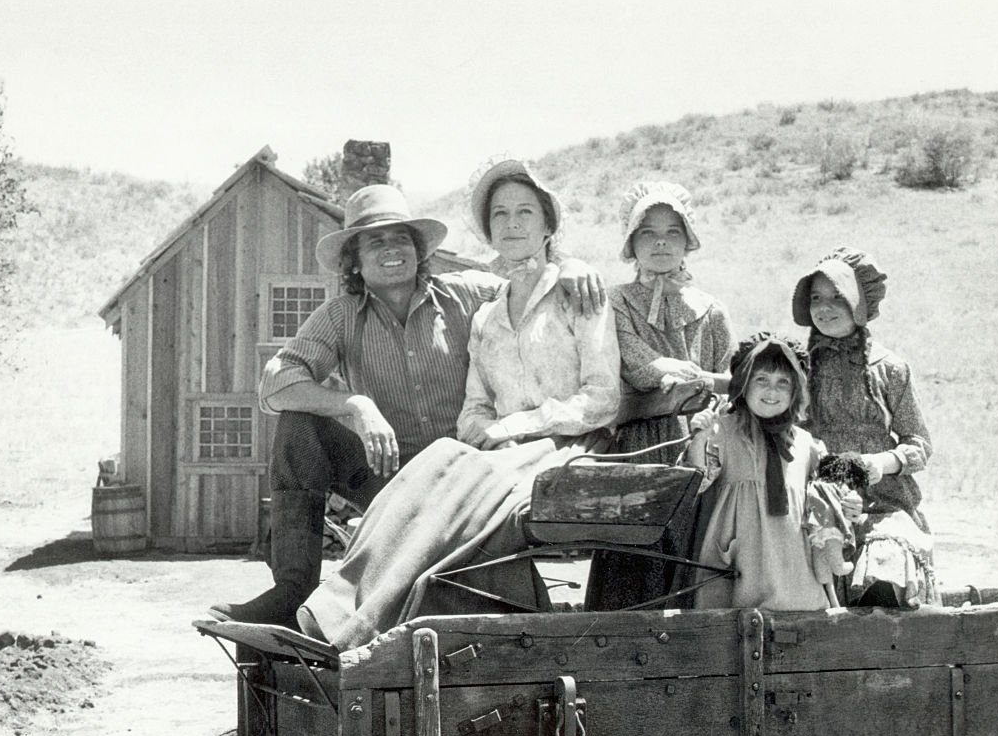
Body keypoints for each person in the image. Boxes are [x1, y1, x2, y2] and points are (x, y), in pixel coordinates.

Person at [210, 183, 606, 628]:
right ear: (354, 263)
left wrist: (569, 266)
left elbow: (534, 288)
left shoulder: (468, 294)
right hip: (386, 477)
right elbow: (275, 383)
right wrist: (354, 405)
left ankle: (349, 615)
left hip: (469, 479)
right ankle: (292, 591)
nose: (391, 249)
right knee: (299, 425)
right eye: (374, 242)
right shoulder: (340, 315)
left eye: (401, 238)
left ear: (419, 250)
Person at [294, 158, 621, 649]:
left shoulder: (579, 296)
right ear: (488, 230)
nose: (512, 224)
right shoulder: (488, 312)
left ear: (549, 224)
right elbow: (474, 406)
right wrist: (479, 432)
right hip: (503, 455)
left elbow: (602, 399)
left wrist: (512, 427)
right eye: (500, 215)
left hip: (571, 448)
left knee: (468, 477)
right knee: (436, 462)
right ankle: (333, 607)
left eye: (525, 213)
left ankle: (359, 629)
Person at [586, 181, 735, 611]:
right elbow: (637, 365)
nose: (661, 242)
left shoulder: (711, 310)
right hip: (639, 446)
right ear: (631, 242)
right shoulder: (614, 303)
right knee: (632, 561)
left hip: (699, 446)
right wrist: (675, 376)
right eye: (648, 232)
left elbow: (731, 383)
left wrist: (702, 388)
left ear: (688, 239)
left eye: (673, 231)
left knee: (693, 558)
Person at [792, 246, 935, 607]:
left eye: (838, 298)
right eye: (816, 298)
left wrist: (880, 464)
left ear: (860, 303)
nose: (824, 308)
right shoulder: (800, 368)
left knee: (883, 578)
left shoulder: (890, 368)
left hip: (884, 505)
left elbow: (919, 445)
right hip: (816, 504)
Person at [687, 332, 830, 611]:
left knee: (797, 621)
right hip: (742, 557)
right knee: (730, 623)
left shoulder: (805, 443)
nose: (771, 392)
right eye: (761, 380)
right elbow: (698, 482)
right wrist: (700, 439)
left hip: (792, 563)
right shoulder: (723, 430)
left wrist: (847, 505)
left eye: (782, 383)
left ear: (795, 391)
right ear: (743, 384)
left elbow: (825, 499)